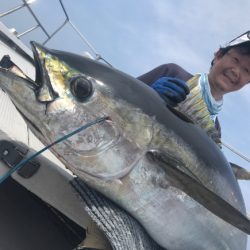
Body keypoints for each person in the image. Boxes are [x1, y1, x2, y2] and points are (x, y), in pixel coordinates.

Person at [138, 31, 250, 140]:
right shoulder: (172, 73)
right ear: (218, 55)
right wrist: (146, 95)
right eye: (235, 60)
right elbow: (121, 91)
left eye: (247, 70)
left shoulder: (215, 129)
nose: (236, 71)